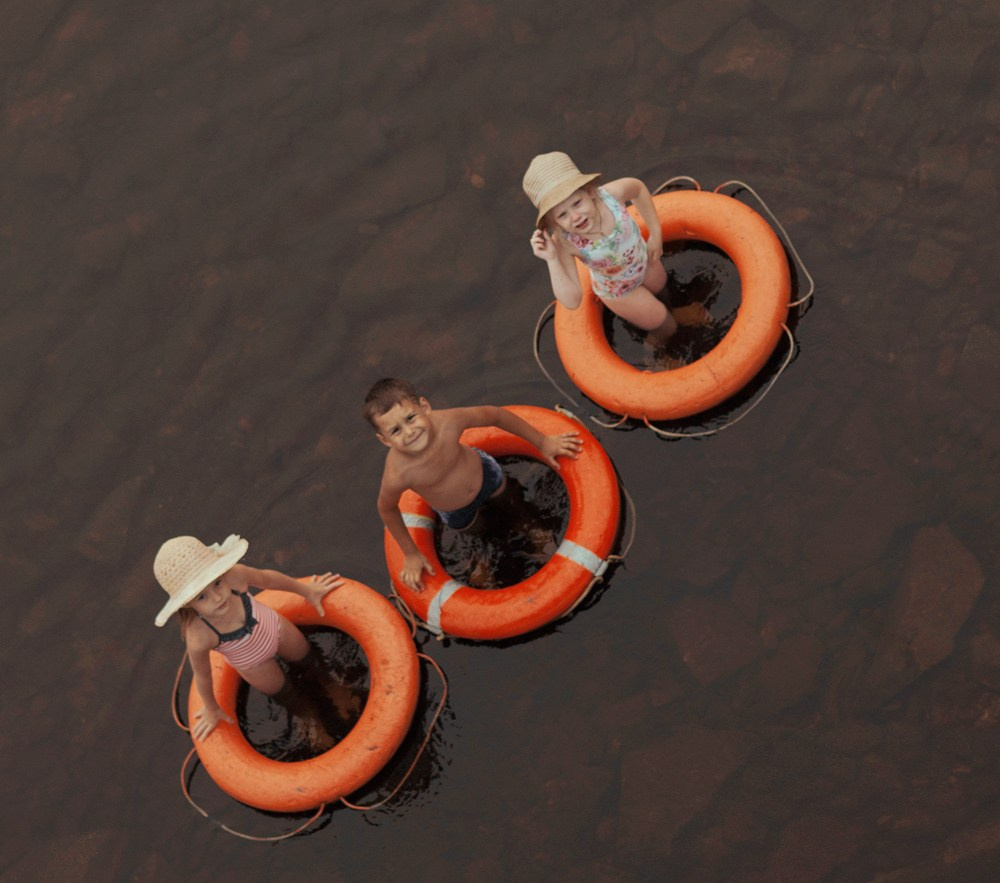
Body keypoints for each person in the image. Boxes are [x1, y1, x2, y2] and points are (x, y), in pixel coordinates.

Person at [363, 378, 583, 592]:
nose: (409, 432)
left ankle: (530, 528)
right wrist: (411, 553)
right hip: (455, 510)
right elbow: (387, 508)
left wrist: (542, 442)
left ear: (424, 407)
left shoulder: (449, 422)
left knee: (514, 503)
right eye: (396, 431)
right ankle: (480, 558)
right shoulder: (398, 473)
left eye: (411, 418)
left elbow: (495, 415)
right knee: (478, 533)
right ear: (385, 440)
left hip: (487, 477)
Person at [153, 534, 345, 741]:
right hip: (253, 663)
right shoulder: (199, 634)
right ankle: (308, 717)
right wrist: (211, 707)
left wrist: (306, 591)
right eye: (202, 596)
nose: (217, 597)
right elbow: (203, 675)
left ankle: (334, 688)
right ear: (187, 604)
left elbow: (268, 579)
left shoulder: (235, 576)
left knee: (310, 659)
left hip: (277, 630)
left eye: (217, 583)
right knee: (285, 694)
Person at [523, 150, 708, 343]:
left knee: (662, 288)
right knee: (664, 322)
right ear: (554, 223)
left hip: (643, 261)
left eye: (577, 203)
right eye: (562, 215)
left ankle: (676, 312)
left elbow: (638, 188)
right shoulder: (564, 242)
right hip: (620, 291)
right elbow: (572, 301)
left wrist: (655, 233)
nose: (575, 217)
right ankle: (656, 343)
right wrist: (552, 259)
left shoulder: (611, 196)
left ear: (589, 192)